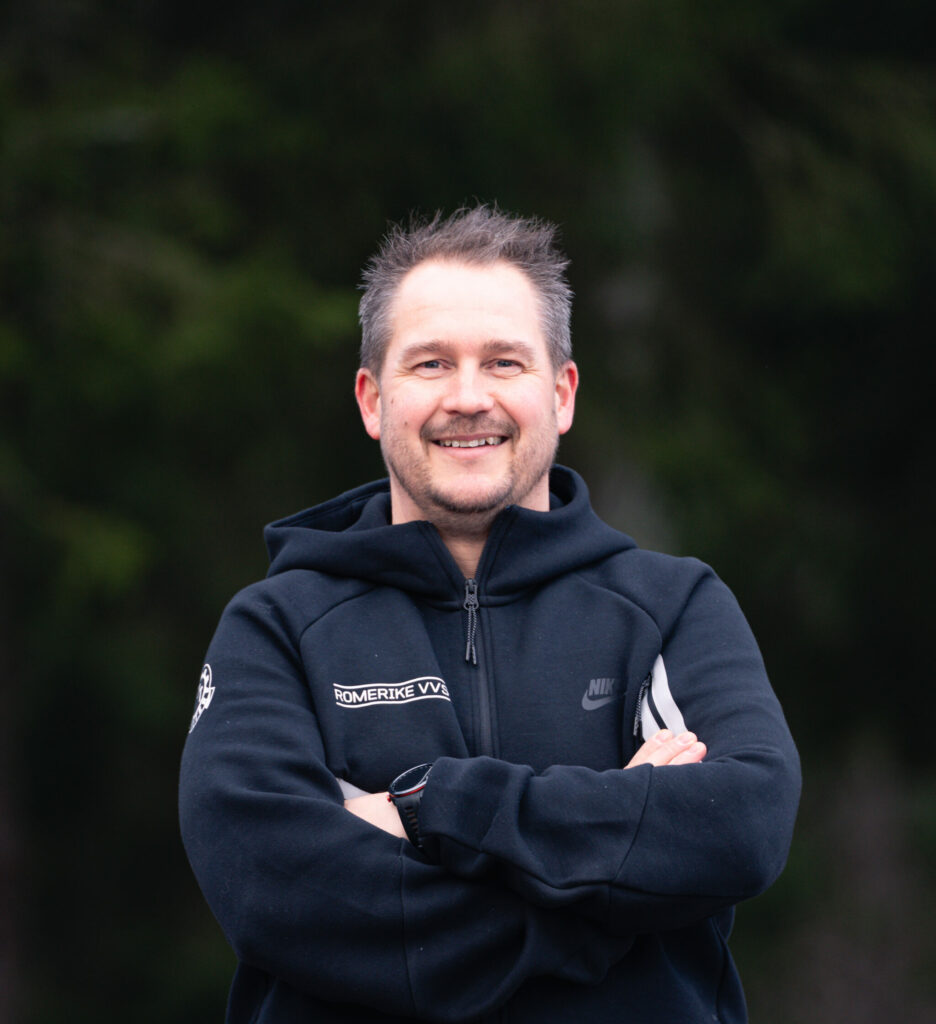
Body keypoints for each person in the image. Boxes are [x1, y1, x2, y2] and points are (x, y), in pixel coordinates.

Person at [179, 205, 800, 1024]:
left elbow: (741, 826)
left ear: (561, 393)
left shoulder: (671, 607)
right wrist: (598, 908)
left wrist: (431, 805)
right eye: (431, 364)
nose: (468, 398)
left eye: (504, 362)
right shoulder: (277, 627)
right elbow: (274, 889)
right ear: (372, 400)